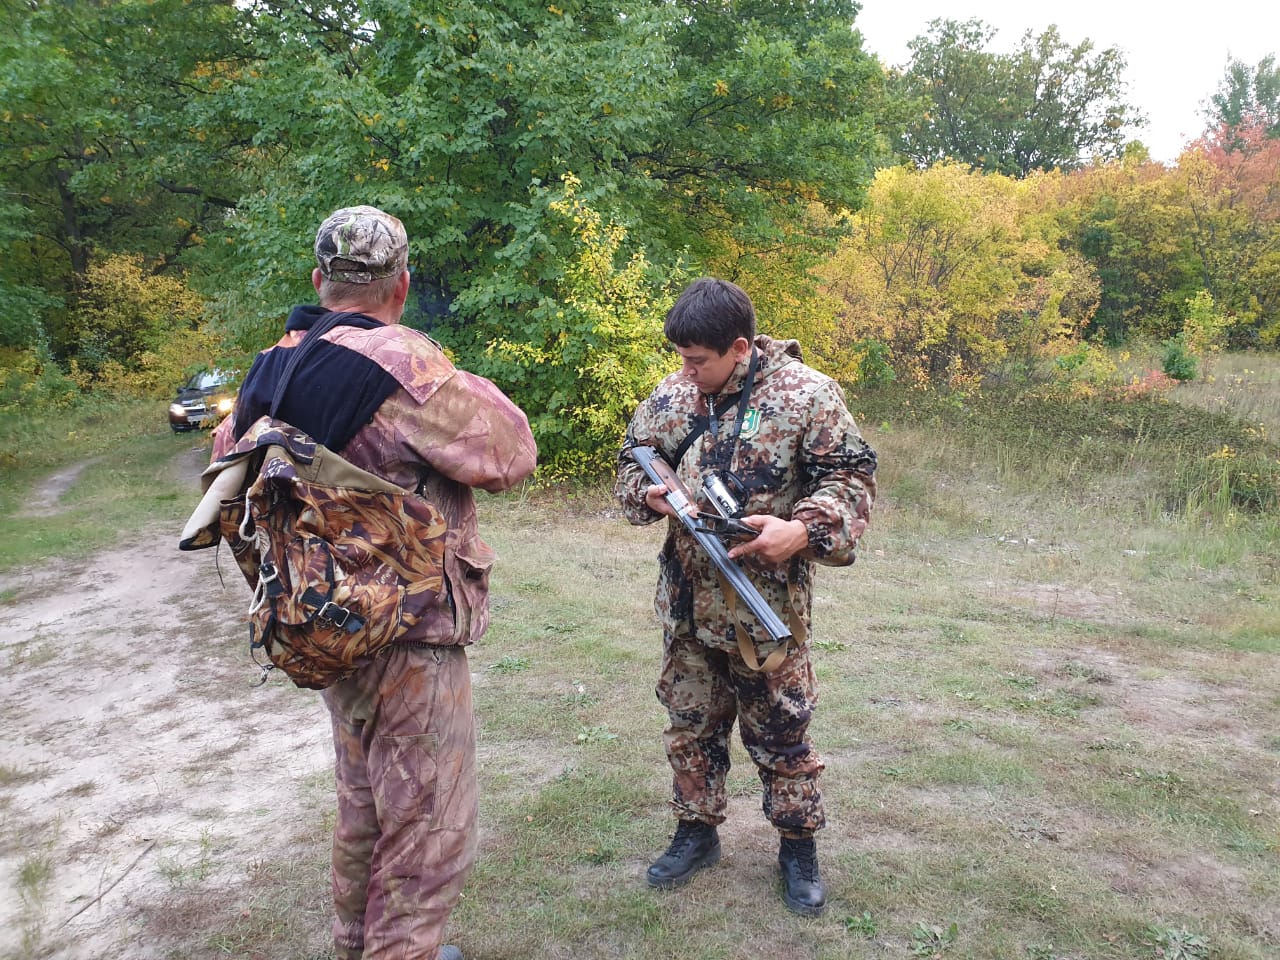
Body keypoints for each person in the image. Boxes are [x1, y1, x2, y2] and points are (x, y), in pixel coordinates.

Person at [214, 206, 537, 960]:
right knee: (427, 832)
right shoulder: (403, 362)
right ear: (403, 284)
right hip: (408, 628)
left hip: (325, 623)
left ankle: (357, 948)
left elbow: (230, 464)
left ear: (319, 280)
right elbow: (509, 454)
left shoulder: (271, 366)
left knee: (365, 811)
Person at [614, 277, 876, 917]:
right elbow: (633, 458)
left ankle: (797, 847)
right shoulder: (677, 395)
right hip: (688, 603)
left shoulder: (806, 396)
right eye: (680, 358)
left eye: (697, 361)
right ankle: (696, 832)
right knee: (690, 724)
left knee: (782, 731)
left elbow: (850, 476)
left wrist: (803, 530)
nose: (685, 372)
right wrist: (648, 493)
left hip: (766, 609)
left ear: (738, 347)